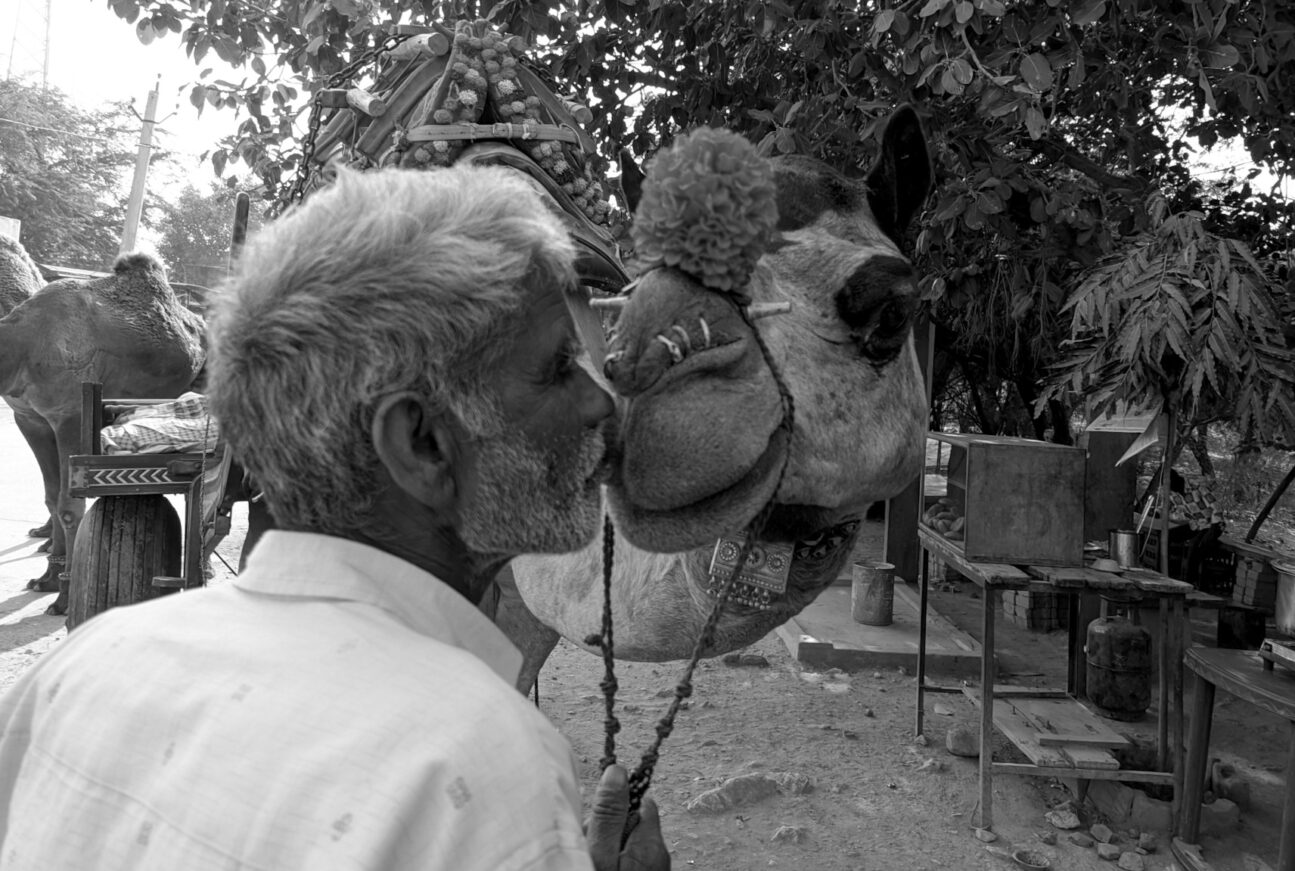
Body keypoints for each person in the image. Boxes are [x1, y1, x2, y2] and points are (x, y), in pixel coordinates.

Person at [0, 165, 670, 871]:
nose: (600, 403)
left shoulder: (79, 668)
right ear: (420, 442)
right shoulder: (483, 768)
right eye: (558, 368)